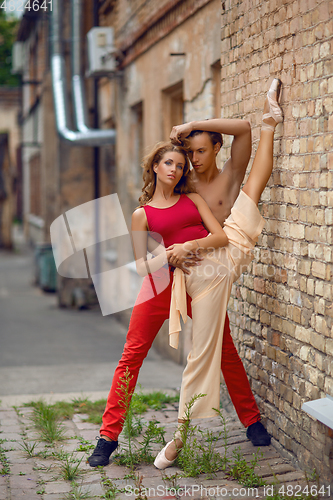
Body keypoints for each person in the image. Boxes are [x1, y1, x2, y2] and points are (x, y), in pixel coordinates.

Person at [88, 78, 282, 468]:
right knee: (131, 357)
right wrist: (168, 258)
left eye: (183, 162)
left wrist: (189, 249)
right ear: (156, 168)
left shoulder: (193, 195)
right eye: (172, 162)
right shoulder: (143, 213)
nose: (179, 167)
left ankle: (252, 422)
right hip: (158, 285)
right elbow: (142, 263)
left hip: (200, 280)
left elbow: (218, 234)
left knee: (223, 350)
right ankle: (107, 438)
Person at [153, 78, 283, 468]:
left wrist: (193, 121)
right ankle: (189, 433)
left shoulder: (228, 175)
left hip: (230, 247)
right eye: (189, 152)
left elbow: (239, 130)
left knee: (252, 187)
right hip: (204, 266)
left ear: (215, 148)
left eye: (199, 151)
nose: (193, 159)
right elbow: (160, 198)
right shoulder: (186, 185)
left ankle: (269, 124)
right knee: (207, 350)